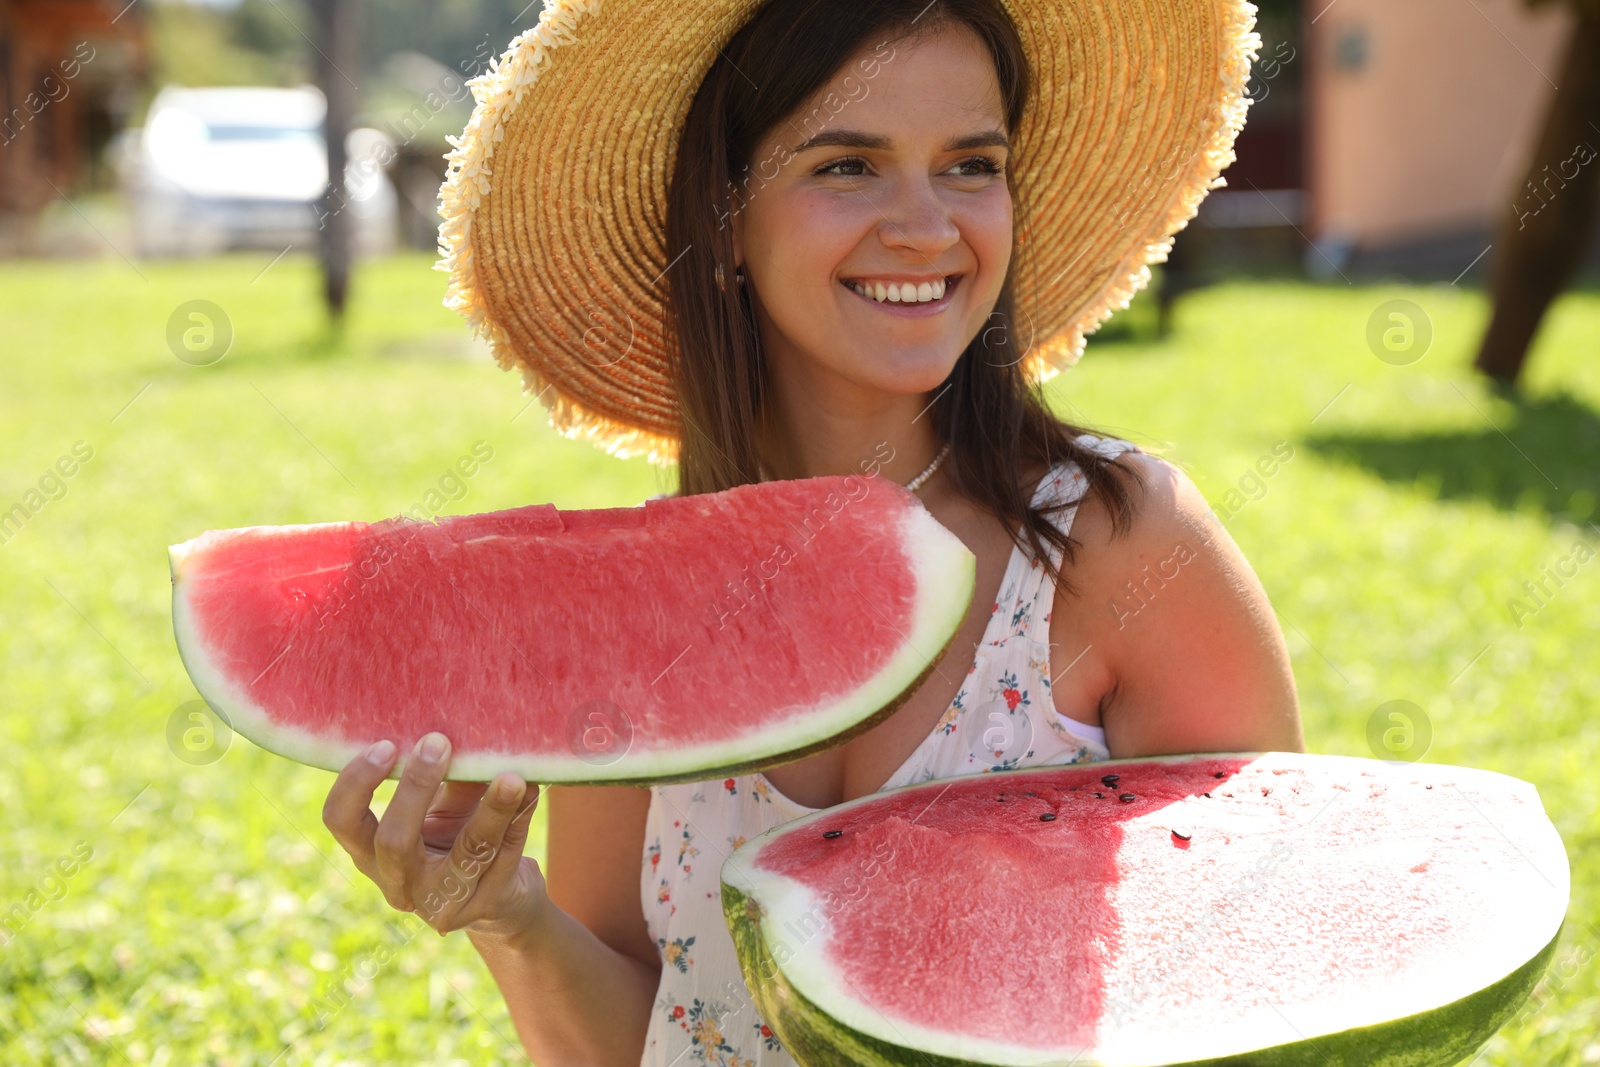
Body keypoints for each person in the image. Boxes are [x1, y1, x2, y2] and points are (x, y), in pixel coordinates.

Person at [320, 0, 1305, 1063]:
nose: (928, 226)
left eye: (972, 165)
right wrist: (510, 916)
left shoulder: (1118, 542)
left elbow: (1271, 962)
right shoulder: (635, 607)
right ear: (727, 218)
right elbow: (634, 1040)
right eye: (848, 167)